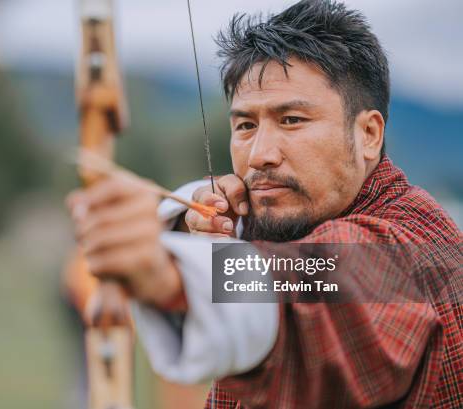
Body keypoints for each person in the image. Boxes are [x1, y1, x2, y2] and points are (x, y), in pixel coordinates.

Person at [66, 0, 462, 407]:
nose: (260, 154)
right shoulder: (290, 223)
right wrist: (193, 220)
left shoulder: (412, 251)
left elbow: (319, 285)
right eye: (246, 125)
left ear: (368, 134)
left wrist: (168, 276)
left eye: (292, 120)